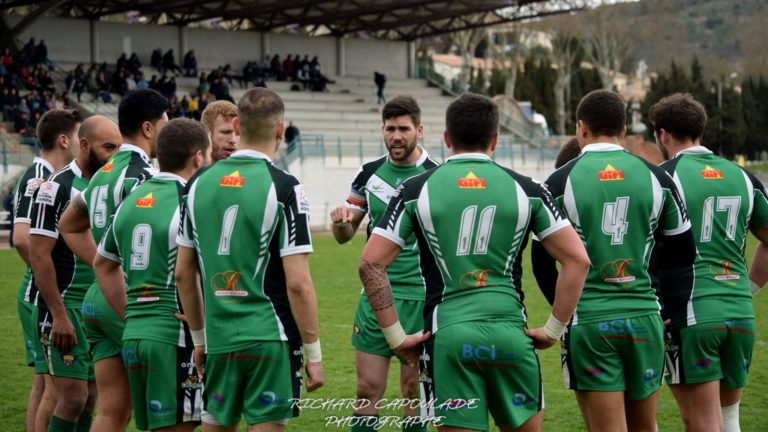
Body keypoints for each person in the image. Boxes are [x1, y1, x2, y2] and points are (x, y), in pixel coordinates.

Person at [358, 93, 589, 431]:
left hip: (449, 338)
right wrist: (553, 330)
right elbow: (577, 260)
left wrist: (395, 337)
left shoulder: (414, 190)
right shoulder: (529, 190)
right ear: (495, 139)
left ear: (446, 138)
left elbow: (370, 264)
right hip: (512, 334)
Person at [533, 89, 696, 432]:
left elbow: (541, 261)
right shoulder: (659, 178)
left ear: (581, 127)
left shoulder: (558, 182)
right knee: (645, 427)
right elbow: (683, 252)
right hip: (645, 318)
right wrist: (668, 307)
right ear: (623, 130)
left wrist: (564, 315)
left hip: (590, 322)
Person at [175, 87, 324, 430]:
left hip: (219, 339)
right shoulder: (286, 187)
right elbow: (298, 283)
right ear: (281, 130)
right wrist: (314, 354)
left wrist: (199, 340)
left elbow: (183, 273)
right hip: (270, 338)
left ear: (238, 126)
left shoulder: (196, 185)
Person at [649, 93, 768, 432]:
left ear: (662, 134)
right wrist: (748, 288)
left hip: (691, 315)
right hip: (739, 313)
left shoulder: (662, 177)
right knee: (728, 420)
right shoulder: (742, 176)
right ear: (700, 130)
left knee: (702, 423)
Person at [59, 89, 169, 432]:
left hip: (98, 296)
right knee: (166, 413)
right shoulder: (146, 178)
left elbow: (68, 224)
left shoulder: (103, 173)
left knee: (111, 411)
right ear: (148, 128)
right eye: (165, 123)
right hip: (134, 300)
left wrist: (101, 263)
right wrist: (112, 266)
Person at [329, 95, 439, 431]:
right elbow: (345, 236)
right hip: (375, 296)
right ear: (382, 130)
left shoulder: (436, 175)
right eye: (390, 129)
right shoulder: (369, 173)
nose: (396, 136)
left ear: (419, 130)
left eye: (404, 129)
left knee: (413, 393)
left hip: (420, 300)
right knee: (367, 389)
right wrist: (341, 222)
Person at [94, 118, 209, 432]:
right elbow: (192, 272)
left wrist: (132, 313)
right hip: (174, 335)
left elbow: (102, 263)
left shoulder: (132, 199)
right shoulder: (191, 199)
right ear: (198, 157)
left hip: (135, 334)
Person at [29, 114, 121, 432]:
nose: (114, 155)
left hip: (95, 306)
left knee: (92, 397)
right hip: (64, 307)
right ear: (84, 145)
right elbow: (38, 254)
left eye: (118, 148)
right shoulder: (55, 186)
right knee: (72, 398)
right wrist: (58, 314)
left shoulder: (110, 185)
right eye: (108, 147)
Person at [13, 110, 85, 432]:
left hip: (41, 291)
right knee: (54, 389)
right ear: (65, 140)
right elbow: (21, 238)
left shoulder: (48, 173)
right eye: (80, 134)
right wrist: (47, 278)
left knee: (46, 384)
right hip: (40, 294)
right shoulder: (41, 176)